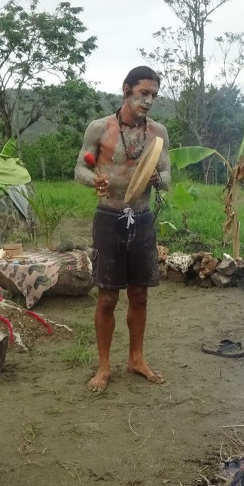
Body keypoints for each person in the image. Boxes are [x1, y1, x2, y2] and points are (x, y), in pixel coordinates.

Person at [74, 66, 171, 391]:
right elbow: (79, 169)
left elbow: (168, 176)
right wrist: (95, 179)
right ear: (126, 89)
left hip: (142, 220)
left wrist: (158, 179)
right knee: (106, 298)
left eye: (154, 95)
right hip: (108, 218)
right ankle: (104, 367)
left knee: (140, 295)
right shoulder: (100, 129)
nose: (148, 101)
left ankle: (136, 359)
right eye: (143, 93)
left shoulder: (158, 133)